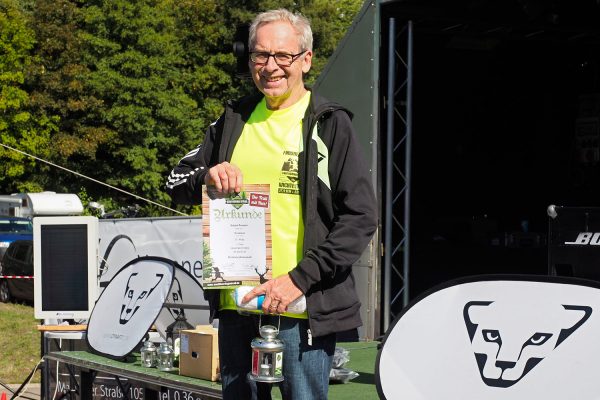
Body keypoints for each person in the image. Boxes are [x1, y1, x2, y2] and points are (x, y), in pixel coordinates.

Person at [165, 8, 377, 400]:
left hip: (301, 310)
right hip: (238, 308)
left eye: (283, 56)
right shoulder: (233, 119)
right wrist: (207, 176)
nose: (270, 67)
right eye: (260, 55)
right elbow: (174, 182)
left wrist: (299, 278)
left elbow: (362, 217)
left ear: (306, 60)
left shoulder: (329, 124)